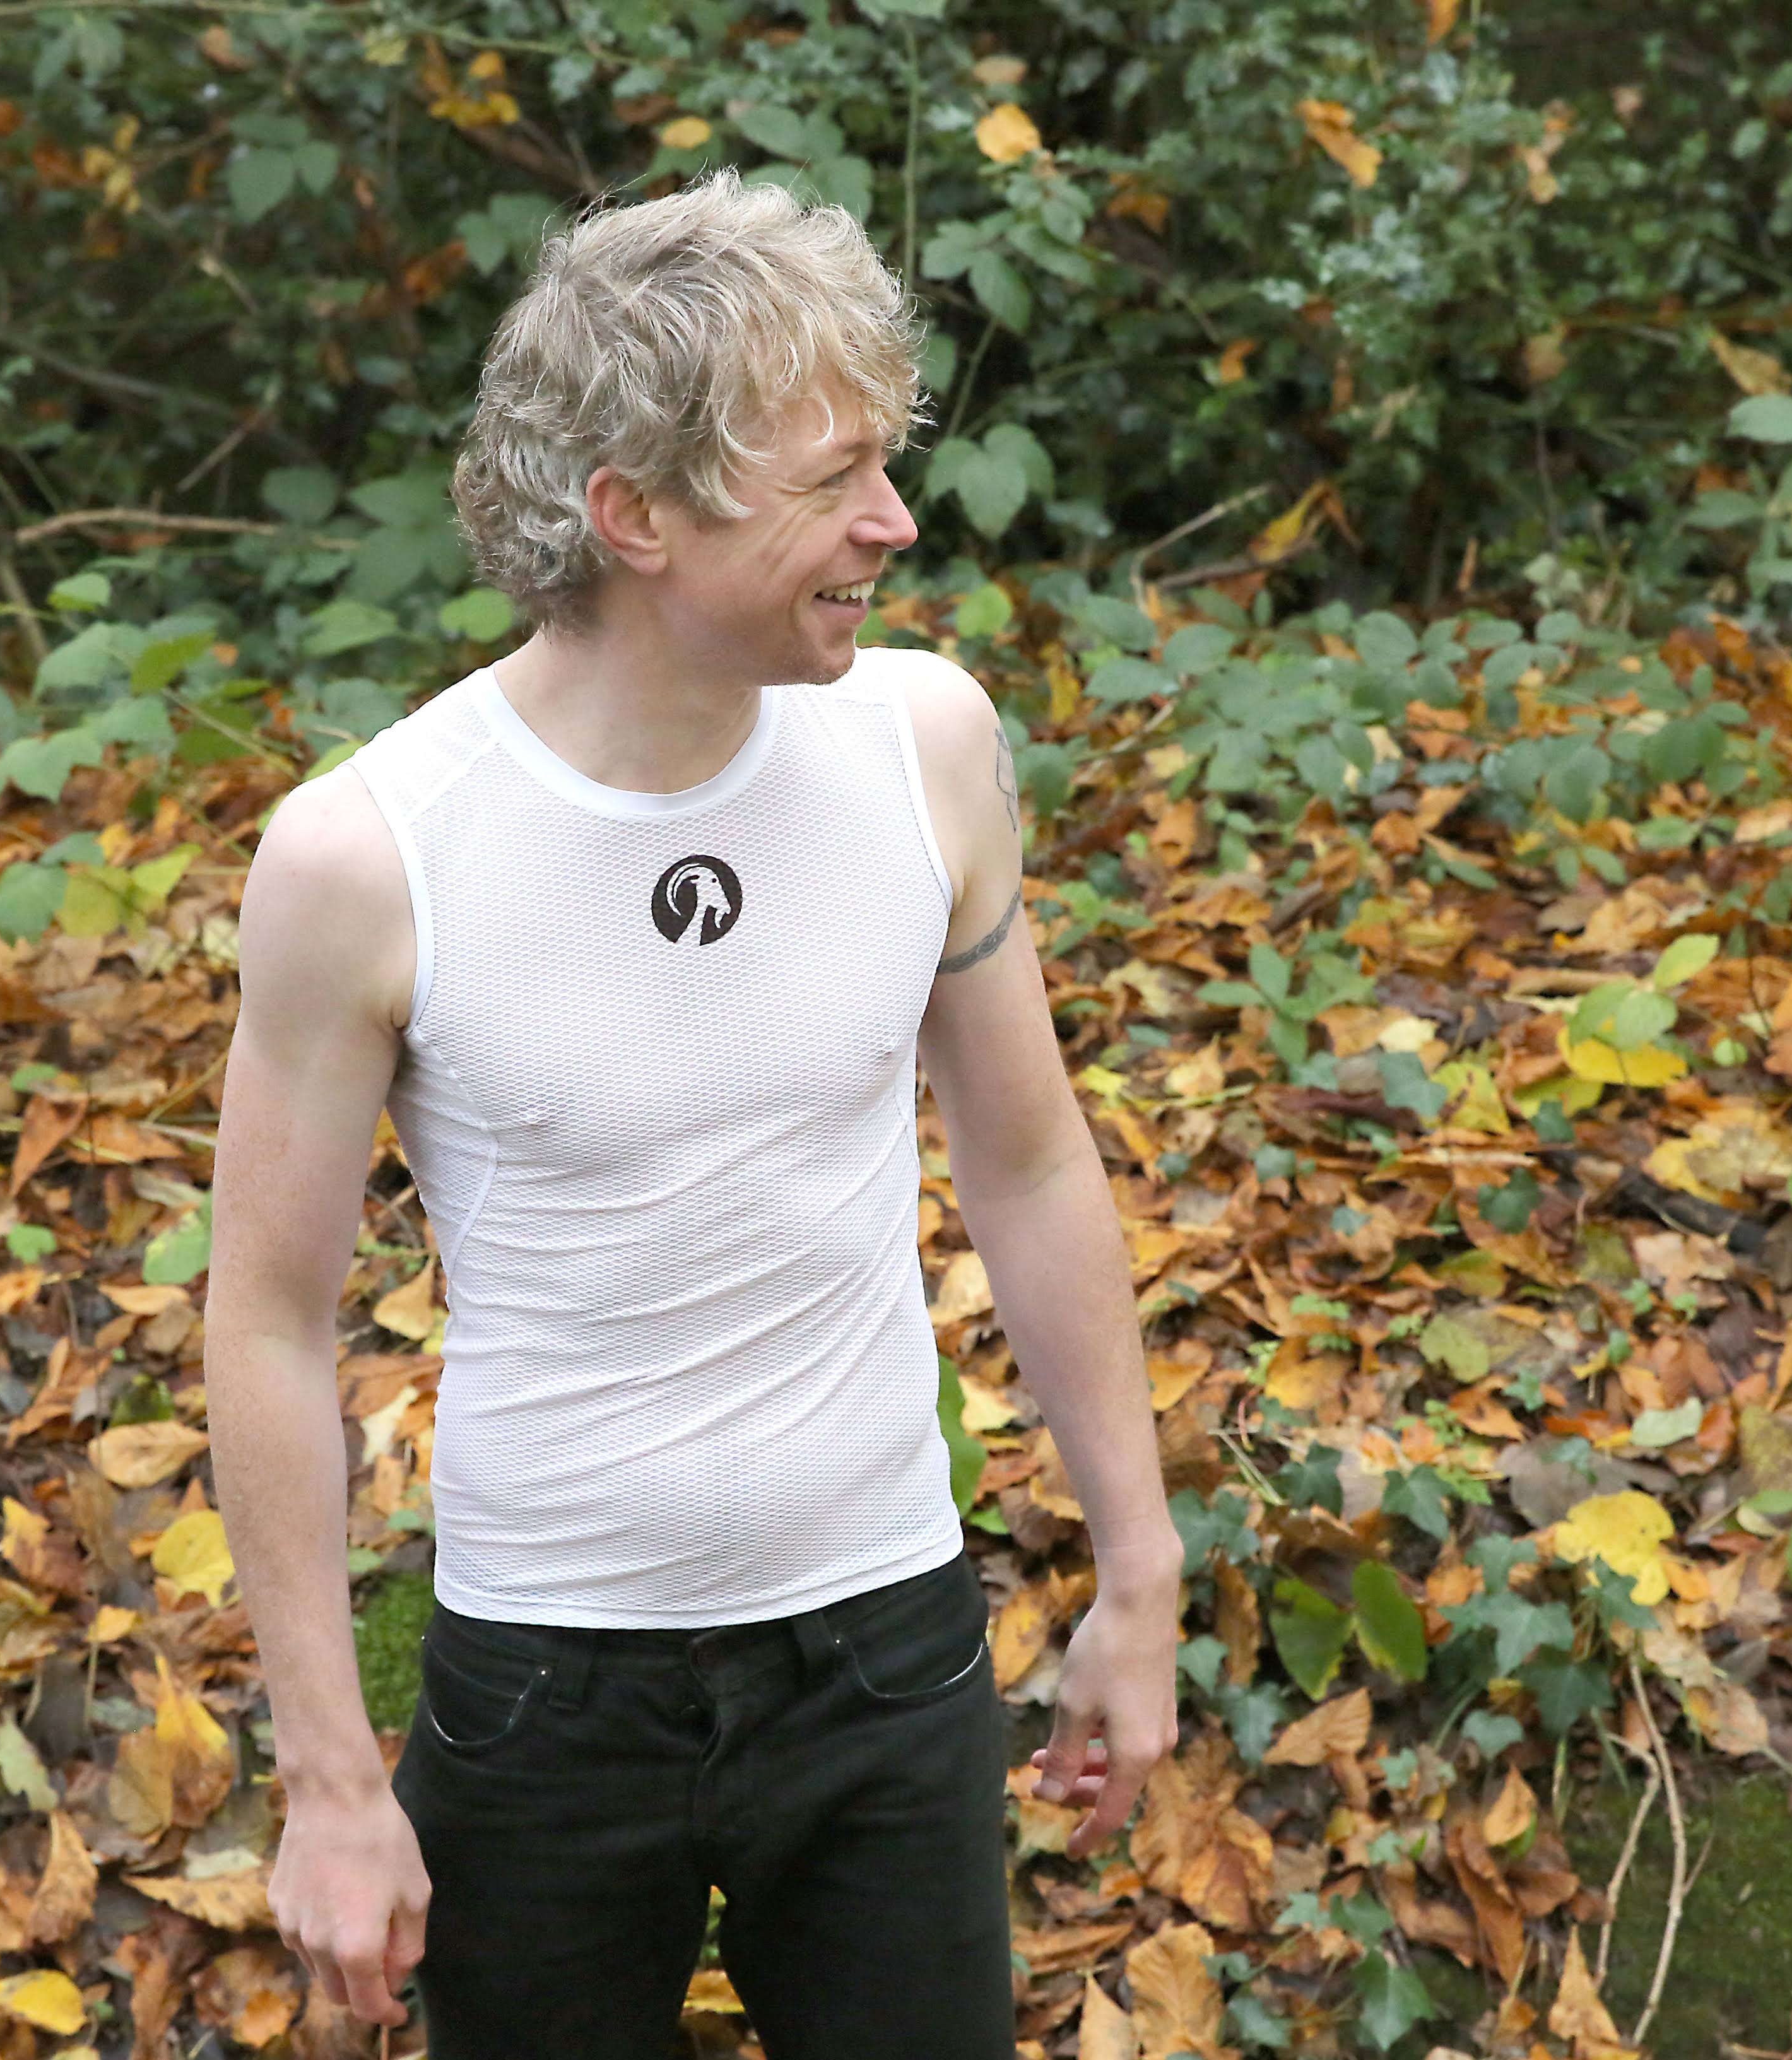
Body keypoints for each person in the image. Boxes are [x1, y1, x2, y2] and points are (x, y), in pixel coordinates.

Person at [204, 168, 1180, 2059]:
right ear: (632, 513)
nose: (893, 523)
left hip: (887, 1648)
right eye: (831, 481)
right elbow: (266, 1318)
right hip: (543, 1696)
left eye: (886, 463)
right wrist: (329, 1776)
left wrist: (1137, 1568)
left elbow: (1030, 1160)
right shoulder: (370, 855)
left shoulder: (928, 746)